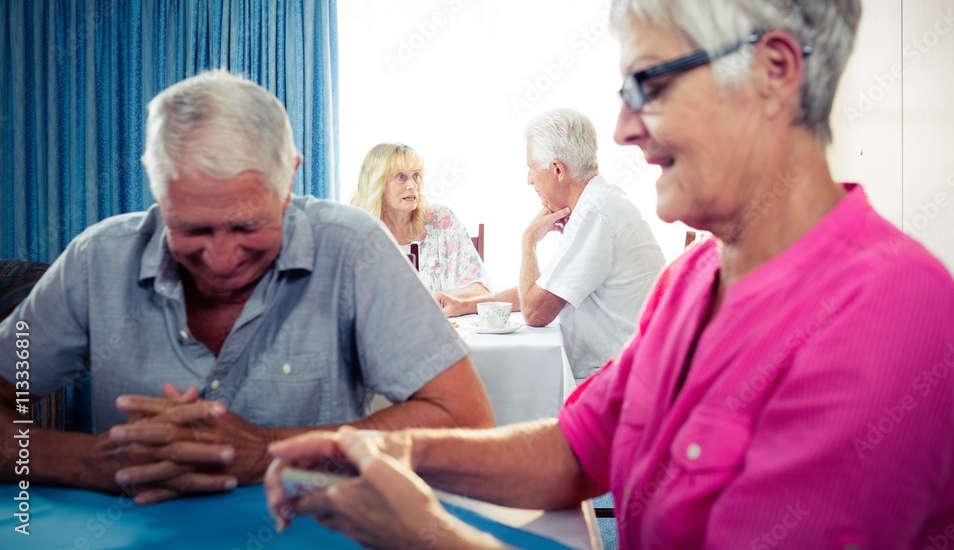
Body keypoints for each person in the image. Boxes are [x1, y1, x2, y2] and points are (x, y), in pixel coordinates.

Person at [262, 0, 954, 548]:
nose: (620, 129)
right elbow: (576, 451)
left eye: (649, 82)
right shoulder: (693, 280)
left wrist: (424, 532)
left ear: (775, 71)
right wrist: (397, 451)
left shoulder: (885, 312)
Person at [0, 70, 493, 504]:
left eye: (246, 226)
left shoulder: (353, 248)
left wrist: (270, 450)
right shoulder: (96, 260)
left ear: (289, 182)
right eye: (191, 228)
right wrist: (90, 461)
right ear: (157, 186)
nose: (220, 258)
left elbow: (466, 421)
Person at [439, 108, 665, 382]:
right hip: (622, 373)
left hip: (618, 381)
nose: (529, 180)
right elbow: (543, 291)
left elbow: (535, 311)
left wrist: (528, 243)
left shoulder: (595, 212)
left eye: (531, 168)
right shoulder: (599, 202)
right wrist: (464, 305)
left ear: (557, 169)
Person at [349, 143, 490, 310]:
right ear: (377, 183)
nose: (412, 185)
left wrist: (438, 298)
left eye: (416, 175)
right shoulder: (354, 232)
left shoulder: (442, 220)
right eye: (401, 177)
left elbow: (481, 291)